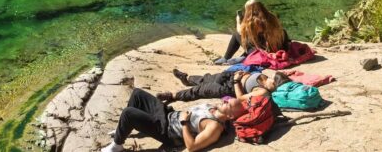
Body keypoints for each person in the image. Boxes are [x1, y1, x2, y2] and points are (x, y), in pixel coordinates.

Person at [100, 88, 247, 152]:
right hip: (168, 115)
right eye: (227, 99)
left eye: (228, 104)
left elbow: (192, 147)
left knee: (128, 113)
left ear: (230, 116)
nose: (225, 100)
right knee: (137, 94)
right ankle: (123, 128)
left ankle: (117, 145)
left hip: (168, 131)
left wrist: (184, 123)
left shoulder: (214, 127)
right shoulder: (213, 107)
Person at [213, 0, 291, 65]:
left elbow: (240, 32)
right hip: (279, 47)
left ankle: (226, 57)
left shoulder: (253, 21)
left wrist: (238, 21)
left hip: (263, 52)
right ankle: (244, 56)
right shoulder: (271, 16)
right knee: (278, 33)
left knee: (236, 34)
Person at [157, 70, 291, 102]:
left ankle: (173, 95)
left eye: (273, 83)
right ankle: (187, 79)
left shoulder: (263, 92)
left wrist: (236, 81)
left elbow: (241, 98)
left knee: (202, 90)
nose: (270, 80)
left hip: (230, 88)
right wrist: (243, 73)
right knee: (207, 78)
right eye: (272, 79)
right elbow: (251, 76)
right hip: (231, 76)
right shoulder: (265, 78)